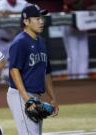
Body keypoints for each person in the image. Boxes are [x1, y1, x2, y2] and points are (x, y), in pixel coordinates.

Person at [7, 4, 59, 135]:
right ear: (26, 21)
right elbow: (14, 70)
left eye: (41, 18)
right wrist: (27, 99)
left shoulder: (41, 41)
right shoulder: (20, 42)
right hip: (20, 95)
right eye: (36, 18)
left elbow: (46, 73)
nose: (41, 21)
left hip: (35, 95)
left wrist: (53, 98)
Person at [62, 0, 95, 79]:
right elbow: (72, 4)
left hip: (83, 22)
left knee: (84, 54)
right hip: (69, 21)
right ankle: (73, 79)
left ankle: (83, 78)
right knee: (74, 55)